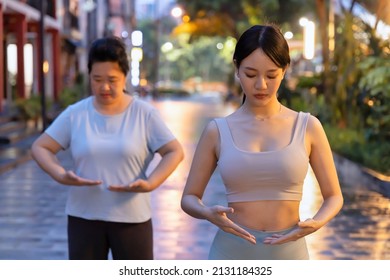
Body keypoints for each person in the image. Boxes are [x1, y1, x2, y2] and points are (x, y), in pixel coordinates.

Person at [180, 24, 343, 260]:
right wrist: (207, 213)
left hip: (290, 253)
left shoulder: (308, 127)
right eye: (250, 74)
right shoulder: (217, 131)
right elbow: (189, 197)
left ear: (285, 70)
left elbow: (334, 196)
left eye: (271, 75)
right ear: (237, 68)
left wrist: (317, 222)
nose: (261, 85)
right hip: (230, 252)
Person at [31, 36, 184, 260]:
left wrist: (151, 183)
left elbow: (175, 151)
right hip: (83, 217)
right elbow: (40, 147)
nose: (104, 87)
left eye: (112, 79)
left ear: (124, 77)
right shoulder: (76, 113)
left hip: (132, 218)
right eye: (97, 79)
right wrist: (61, 175)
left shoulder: (144, 114)